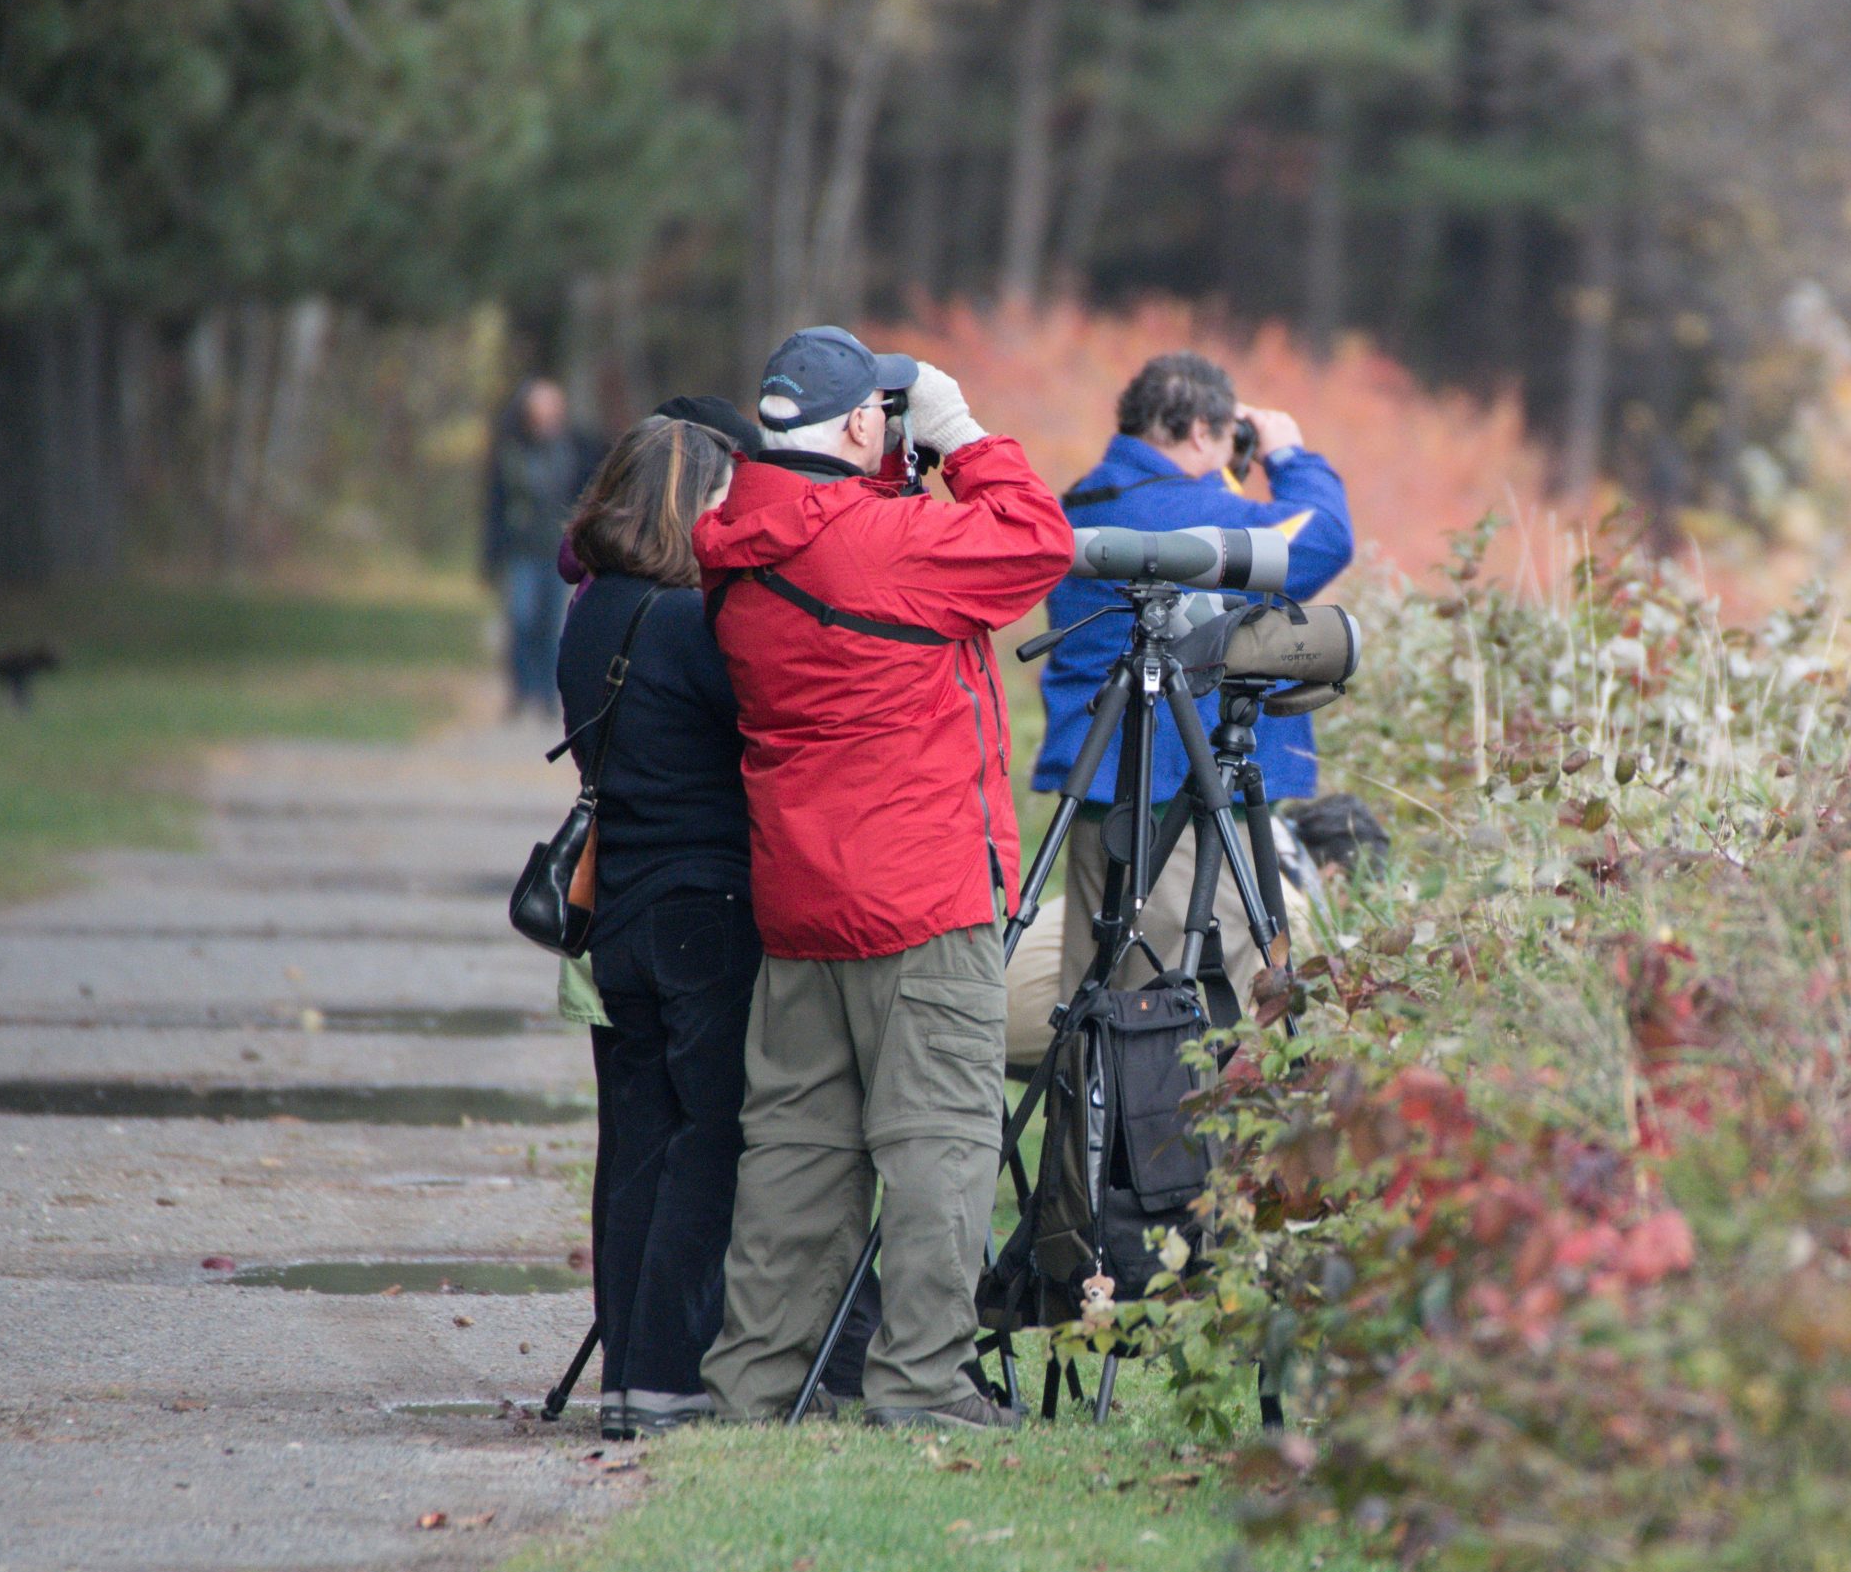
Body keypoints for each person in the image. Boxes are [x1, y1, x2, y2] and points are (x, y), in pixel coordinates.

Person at [694, 326, 1073, 1432]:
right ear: (862, 423)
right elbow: (1037, 541)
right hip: (918, 891)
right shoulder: (890, 546)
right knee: (940, 1141)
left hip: (801, 893)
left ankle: (752, 1386)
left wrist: (890, 466)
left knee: (797, 1149)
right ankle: (916, 1385)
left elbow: (836, 525)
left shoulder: (740, 541)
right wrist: (956, 431)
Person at [1032, 352, 1355, 1008]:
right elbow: (1323, 537)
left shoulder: (1079, 504)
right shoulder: (1197, 520)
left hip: (1098, 802)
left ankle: (1087, 1114)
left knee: (1096, 1005)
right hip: (1183, 805)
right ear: (1204, 432)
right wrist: (1289, 455)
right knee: (1195, 1016)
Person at [555, 416, 761, 1438]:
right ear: (692, 502)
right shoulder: (692, 622)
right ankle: (673, 1374)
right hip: (704, 905)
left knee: (632, 1140)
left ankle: (627, 1372)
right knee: (707, 1135)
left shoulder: (589, 611)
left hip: (617, 912)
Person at [485, 377, 603, 716]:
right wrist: (491, 554)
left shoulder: (577, 447)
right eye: (539, 404)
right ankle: (521, 691)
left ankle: (549, 696)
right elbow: (495, 504)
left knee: (554, 625)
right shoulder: (511, 450)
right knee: (521, 620)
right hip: (521, 549)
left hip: (560, 551)